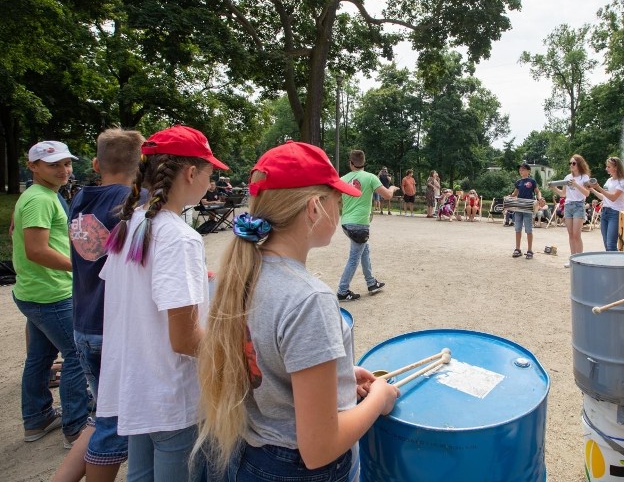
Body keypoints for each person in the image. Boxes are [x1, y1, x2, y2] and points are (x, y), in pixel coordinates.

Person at [195, 142, 399, 481]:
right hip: (296, 470)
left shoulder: (239, 273)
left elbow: (266, 358)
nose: (342, 205)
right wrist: (377, 397)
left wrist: (339, 372)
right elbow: (320, 447)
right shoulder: (309, 299)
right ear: (315, 208)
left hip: (249, 455)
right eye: (338, 199)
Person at [99, 125, 228, 480]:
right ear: (191, 173)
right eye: (210, 173)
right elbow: (184, 339)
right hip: (172, 395)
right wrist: (233, 351)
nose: (211, 181)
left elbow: (135, 297)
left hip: (138, 386)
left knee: (140, 475)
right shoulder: (179, 237)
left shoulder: (130, 224)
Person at [54, 129, 145, 482]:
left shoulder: (79, 200)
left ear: (95, 164)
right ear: (143, 165)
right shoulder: (135, 203)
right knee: (112, 425)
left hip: (83, 322)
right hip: (115, 329)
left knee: (102, 415)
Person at [12, 141, 89, 448]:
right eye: (54, 165)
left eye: (66, 164)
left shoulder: (40, 196)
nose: (64, 170)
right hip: (50, 294)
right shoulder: (40, 199)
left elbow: (15, 234)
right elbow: (35, 250)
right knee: (76, 355)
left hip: (35, 291)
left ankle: (37, 418)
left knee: (40, 357)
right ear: (33, 166)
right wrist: (79, 267)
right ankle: (76, 425)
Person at [337, 150, 398, 301]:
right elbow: (387, 195)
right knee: (354, 258)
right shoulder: (370, 177)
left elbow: (336, 198)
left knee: (364, 250)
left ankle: (371, 283)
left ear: (350, 163)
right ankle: (342, 291)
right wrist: (392, 188)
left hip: (346, 223)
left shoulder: (342, 179)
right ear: (364, 163)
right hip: (360, 225)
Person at [552, 154, 592, 265]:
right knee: (570, 234)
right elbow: (563, 194)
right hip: (568, 205)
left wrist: (576, 184)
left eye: (573, 163)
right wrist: (554, 188)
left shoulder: (584, 177)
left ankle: (580, 258)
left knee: (576, 234)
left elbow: (587, 193)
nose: (571, 165)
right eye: (570, 163)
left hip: (579, 205)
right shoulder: (567, 177)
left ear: (579, 164)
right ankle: (573, 258)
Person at [590, 157, 624, 252]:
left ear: (616, 167)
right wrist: (591, 189)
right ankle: (610, 264)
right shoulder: (609, 180)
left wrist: (598, 187)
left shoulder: (622, 181)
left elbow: (613, 197)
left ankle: (615, 265)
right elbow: (604, 197)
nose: (606, 169)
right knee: (606, 243)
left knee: (611, 244)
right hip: (605, 212)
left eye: (608, 167)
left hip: (615, 213)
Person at [509, 163, 543, 259]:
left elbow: (537, 191)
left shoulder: (532, 181)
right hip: (519, 207)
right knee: (517, 228)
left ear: (528, 171)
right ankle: (517, 249)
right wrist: (509, 197)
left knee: (528, 229)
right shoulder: (518, 182)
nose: (521, 171)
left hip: (528, 207)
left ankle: (529, 250)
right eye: (520, 170)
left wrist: (539, 198)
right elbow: (515, 194)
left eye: (523, 169)